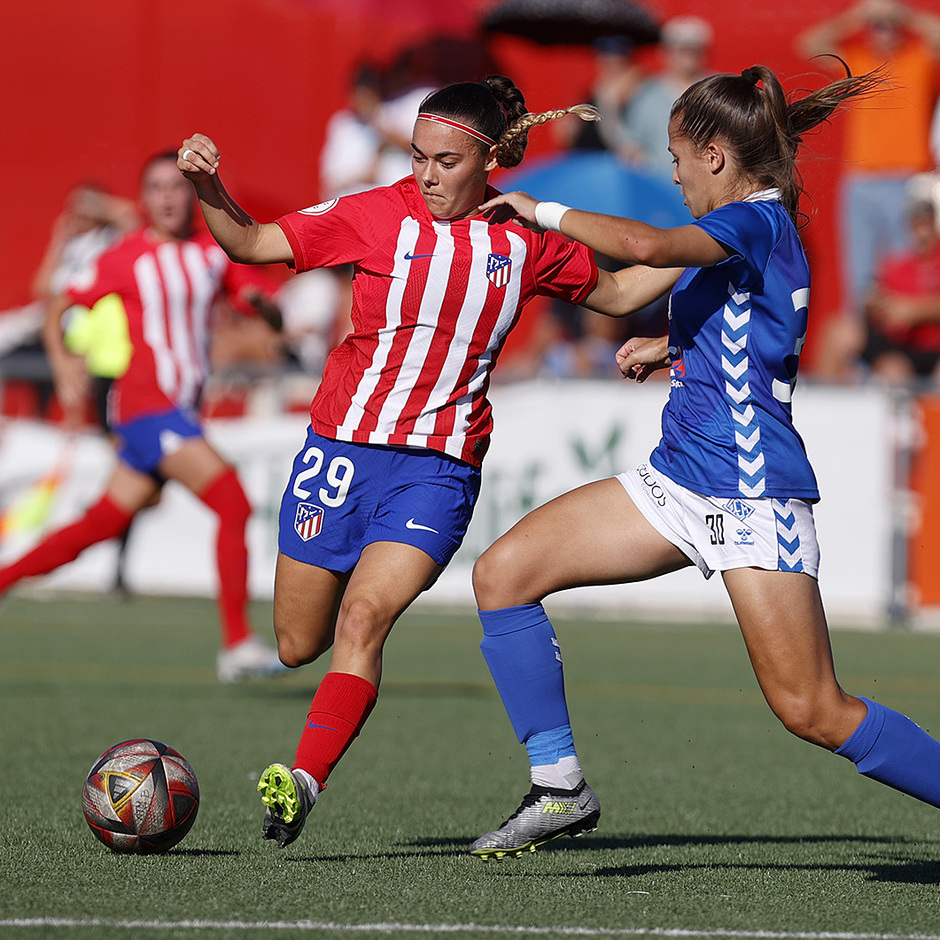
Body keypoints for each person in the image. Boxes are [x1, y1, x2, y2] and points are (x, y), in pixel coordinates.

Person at [467, 63, 940, 861]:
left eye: (676, 156)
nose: (672, 171)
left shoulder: (754, 222)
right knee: (503, 575)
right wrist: (538, 261)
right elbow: (619, 293)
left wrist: (541, 208)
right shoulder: (725, 233)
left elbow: (646, 242)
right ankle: (559, 789)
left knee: (813, 710)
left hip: (750, 495)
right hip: (676, 480)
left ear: (716, 155)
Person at [177, 74, 663, 849]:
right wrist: (208, 185)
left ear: (490, 161)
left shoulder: (525, 236)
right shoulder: (374, 213)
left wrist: (713, 244)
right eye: (417, 159)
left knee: (364, 620)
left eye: (444, 162)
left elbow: (620, 288)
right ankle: (323, 719)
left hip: (436, 469)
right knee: (298, 643)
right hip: (338, 453)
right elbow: (252, 241)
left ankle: (300, 779)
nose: (427, 176)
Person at [0, 151, 286, 683]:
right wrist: (64, 366)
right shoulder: (125, 256)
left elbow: (258, 306)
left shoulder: (212, 252)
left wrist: (265, 310)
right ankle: (236, 645)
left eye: (177, 187)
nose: (169, 197)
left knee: (98, 526)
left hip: (177, 414)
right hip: (145, 411)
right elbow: (59, 304)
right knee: (232, 502)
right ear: (144, 198)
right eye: (157, 188)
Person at [797, 0, 940, 313]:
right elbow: (809, 44)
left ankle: (901, 350)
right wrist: (858, 16)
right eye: (877, 25)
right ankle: (864, 358)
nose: (883, 31)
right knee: (860, 277)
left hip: (908, 181)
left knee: (908, 271)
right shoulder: (859, 61)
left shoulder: (919, 59)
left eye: (888, 25)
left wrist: (902, 14)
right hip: (861, 183)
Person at [616, 16, 714, 176]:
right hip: (661, 187)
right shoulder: (647, 95)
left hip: (708, 188)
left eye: (693, 50)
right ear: (666, 52)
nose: (687, 58)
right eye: (682, 50)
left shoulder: (716, 91)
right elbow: (629, 144)